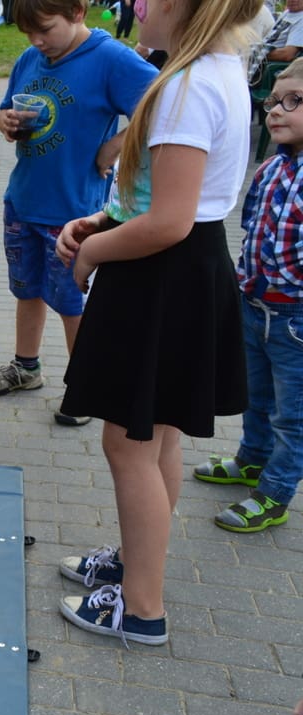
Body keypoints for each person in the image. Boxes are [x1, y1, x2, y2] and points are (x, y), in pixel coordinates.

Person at [54, 0, 259, 645]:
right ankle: (135, 564)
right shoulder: (218, 70)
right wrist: (103, 221)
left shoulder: (186, 86)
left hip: (161, 275)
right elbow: (171, 200)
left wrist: (92, 250)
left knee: (128, 446)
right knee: (158, 437)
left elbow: (169, 221)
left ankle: (141, 606)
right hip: (188, 267)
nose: (133, 7)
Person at [0, 0, 158, 428]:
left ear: (77, 12)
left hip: (73, 211)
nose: (36, 41)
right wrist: (6, 122)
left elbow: (161, 107)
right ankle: (26, 367)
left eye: (44, 29)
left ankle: (85, 386)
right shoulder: (30, 58)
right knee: (27, 290)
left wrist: (115, 146)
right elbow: (5, 109)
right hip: (23, 201)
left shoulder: (110, 58)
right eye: (28, 33)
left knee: (72, 303)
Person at [190, 59, 303, 534]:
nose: (275, 110)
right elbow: (251, 226)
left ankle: (275, 493)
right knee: (256, 396)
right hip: (255, 305)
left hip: (295, 317)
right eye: (274, 100)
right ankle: (252, 459)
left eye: (295, 101)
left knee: (292, 415)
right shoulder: (271, 167)